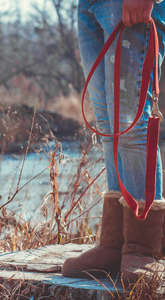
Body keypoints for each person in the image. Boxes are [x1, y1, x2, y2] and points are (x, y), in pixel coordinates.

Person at [62, 0, 165, 284]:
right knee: (108, 125)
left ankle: (144, 247)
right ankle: (115, 242)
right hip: (90, 5)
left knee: (131, 125)